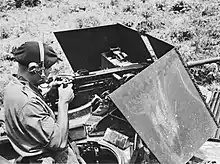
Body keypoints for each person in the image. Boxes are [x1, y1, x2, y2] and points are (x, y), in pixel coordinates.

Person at [3, 41, 85, 164]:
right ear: (33, 69)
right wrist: (63, 102)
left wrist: (47, 93)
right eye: (48, 69)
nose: (49, 73)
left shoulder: (12, 88)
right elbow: (59, 143)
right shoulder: (28, 103)